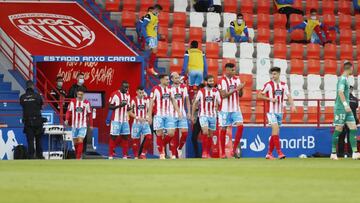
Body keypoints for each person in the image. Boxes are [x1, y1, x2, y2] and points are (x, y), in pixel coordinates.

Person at [257, 67, 296, 160]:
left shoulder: (284, 85)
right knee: (275, 129)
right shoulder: (269, 85)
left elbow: (289, 96)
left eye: (274, 74)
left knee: (275, 133)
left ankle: (269, 154)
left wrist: (293, 106)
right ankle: (279, 152)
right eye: (272, 74)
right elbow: (259, 95)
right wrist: (269, 99)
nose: (273, 76)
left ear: (279, 74)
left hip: (280, 112)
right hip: (271, 112)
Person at [147, 74, 182, 159]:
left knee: (171, 133)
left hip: (169, 115)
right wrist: (149, 115)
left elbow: (173, 100)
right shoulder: (155, 89)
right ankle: (162, 153)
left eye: (168, 79)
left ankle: (162, 145)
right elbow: (151, 102)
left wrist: (178, 111)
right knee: (159, 133)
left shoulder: (170, 89)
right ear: (161, 80)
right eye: (166, 79)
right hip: (158, 115)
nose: (168, 81)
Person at [330, 62, 360, 160]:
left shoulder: (346, 79)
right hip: (341, 108)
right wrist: (346, 105)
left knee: (353, 128)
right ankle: (333, 153)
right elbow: (340, 92)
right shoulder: (342, 79)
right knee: (338, 129)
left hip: (347, 109)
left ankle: (355, 152)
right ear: (350, 68)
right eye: (353, 68)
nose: (353, 70)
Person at [218, 63, 245, 158]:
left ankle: (233, 150)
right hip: (225, 110)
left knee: (241, 126)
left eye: (234, 70)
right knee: (224, 129)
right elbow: (223, 95)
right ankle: (222, 153)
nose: (234, 72)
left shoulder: (237, 79)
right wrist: (236, 89)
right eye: (232, 70)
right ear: (227, 70)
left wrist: (241, 89)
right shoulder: (222, 81)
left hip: (236, 108)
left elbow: (240, 95)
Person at [191, 75, 221, 158]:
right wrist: (193, 115)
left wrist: (217, 109)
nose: (212, 82)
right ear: (206, 82)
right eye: (210, 81)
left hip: (213, 116)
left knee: (210, 135)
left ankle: (208, 152)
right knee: (205, 132)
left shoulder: (216, 91)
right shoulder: (201, 91)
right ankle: (204, 152)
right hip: (203, 115)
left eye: (212, 81)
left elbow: (219, 102)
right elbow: (195, 103)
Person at [64, 87, 93, 160]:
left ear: (84, 94)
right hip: (74, 125)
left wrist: (91, 125)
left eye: (81, 94)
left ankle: (78, 158)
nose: (79, 96)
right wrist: (67, 119)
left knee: (80, 140)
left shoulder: (86, 103)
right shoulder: (72, 102)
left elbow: (90, 114)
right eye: (78, 94)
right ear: (76, 94)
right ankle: (78, 155)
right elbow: (68, 112)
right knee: (75, 142)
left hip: (83, 125)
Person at [20, 80, 45, 159]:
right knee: (38, 140)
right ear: (32, 86)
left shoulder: (22, 97)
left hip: (28, 122)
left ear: (26, 87)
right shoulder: (37, 96)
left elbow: (22, 105)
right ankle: (39, 156)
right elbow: (41, 105)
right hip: (37, 121)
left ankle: (31, 156)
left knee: (30, 140)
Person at [108, 81, 131, 159]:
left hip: (124, 120)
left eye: (128, 87)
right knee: (113, 136)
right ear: (121, 86)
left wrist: (130, 108)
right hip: (116, 119)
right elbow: (110, 107)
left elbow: (127, 107)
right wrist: (119, 105)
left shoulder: (128, 95)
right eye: (125, 87)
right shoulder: (114, 94)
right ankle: (110, 155)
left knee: (125, 137)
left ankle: (124, 155)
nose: (127, 89)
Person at [170, 72, 191, 158]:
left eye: (178, 78)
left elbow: (187, 100)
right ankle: (174, 154)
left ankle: (179, 148)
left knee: (185, 133)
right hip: (172, 114)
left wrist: (189, 112)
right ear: (172, 79)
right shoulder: (169, 88)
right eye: (176, 78)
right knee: (173, 135)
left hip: (182, 114)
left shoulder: (183, 88)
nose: (178, 79)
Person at [129, 86, 152, 159]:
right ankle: (136, 156)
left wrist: (148, 117)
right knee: (135, 140)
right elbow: (129, 112)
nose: (141, 94)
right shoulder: (133, 100)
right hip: (136, 123)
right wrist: (137, 118)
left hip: (145, 123)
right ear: (136, 92)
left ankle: (143, 154)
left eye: (142, 92)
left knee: (149, 137)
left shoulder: (146, 100)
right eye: (140, 92)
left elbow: (149, 110)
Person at [142, 4, 163, 76]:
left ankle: (149, 68)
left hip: (154, 37)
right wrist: (146, 37)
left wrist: (158, 36)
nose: (159, 13)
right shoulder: (148, 15)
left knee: (154, 52)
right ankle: (147, 68)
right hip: (149, 36)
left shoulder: (156, 17)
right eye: (159, 11)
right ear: (156, 9)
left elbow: (155, 27)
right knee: (151, 51)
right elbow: (143, 26)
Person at [338, 85, 359, 157]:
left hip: (343, 119)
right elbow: (355, 109)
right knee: (351, 137)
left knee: (341, 137)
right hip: (352, 120)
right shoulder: (355, 99)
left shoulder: (341, 99)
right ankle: (351, 153)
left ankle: (340, 153)